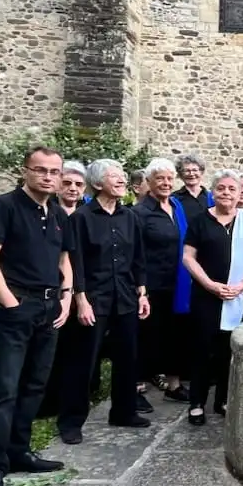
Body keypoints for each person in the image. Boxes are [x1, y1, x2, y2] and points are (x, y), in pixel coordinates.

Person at [0, 147, 73, 486]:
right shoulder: (4, 207)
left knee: (34, 386)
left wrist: (65, 298)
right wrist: (11, 305)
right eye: (41, 170)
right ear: (26, 171)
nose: (48, 177)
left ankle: (19, 452)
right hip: (16, 307)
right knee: (3, 391)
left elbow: (65, 259)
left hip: (49, 308)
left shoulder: (58, 211)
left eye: (54, 172)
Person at [57, 159, 151, 444]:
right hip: (94, 297)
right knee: (83, 361)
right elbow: (77, 262)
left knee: (127, 357)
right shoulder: (81, 218)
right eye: (115, 176)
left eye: (122, 176)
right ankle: (71, 422)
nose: (122, 180)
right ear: (98, 183)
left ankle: (123, 411)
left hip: (125, 295)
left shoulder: (130, 217)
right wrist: (80, 299)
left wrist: (142, 292)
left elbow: (138, 258)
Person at [182, 169, 243, 425]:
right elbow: (188, 256)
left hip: (239, 295)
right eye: (221, 188)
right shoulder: (200, 219)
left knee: (229, 351)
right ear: (214, 191)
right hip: (207, 295)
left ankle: (223, 400)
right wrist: (210, 284)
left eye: (232, 189)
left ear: (241, 193)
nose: (226, 193)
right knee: (202, 349)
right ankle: (196, 402)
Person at [132, 158, 191, 403]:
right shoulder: (139, 212)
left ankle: (174, 385)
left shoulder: (176, 206)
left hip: (177, 284)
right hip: (151, 285)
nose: (166, 183)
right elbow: (135, 252)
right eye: (160, 178)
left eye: (169, 178)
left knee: (175, 336)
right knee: (147, 337)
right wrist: (140, 289)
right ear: (149, 182)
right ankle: (135, 387)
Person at [37, 161, 86, 420]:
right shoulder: (50, 213)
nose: (72, 189)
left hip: (81, 290)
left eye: (78, 184)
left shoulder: (87, 213)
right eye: (67, 183)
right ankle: (47, 402)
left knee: (74, 350)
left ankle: (71, 398)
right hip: (50, 289)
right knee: (49, 351)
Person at [174, 154, 213, 223]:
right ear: (180, 174)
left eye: (195, 170)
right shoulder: (173, 199)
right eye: (187, 170)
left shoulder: (212, 198)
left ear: (201, 172)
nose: (191, 174)